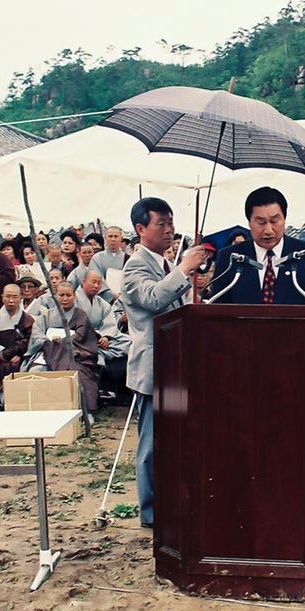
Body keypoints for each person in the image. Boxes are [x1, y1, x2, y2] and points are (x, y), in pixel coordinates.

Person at [122, 197, 207, 528]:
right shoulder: (135, 267)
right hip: (153, 367)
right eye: (162, 223)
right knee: (152, 445)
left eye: (171, 222)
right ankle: (151, 512)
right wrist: (185, 268)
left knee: (175, 440)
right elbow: (154, 299)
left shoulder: (163, 264)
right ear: (141, 229)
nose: (170, 230)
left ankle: (170, 503)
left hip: (175, 363)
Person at [211, 187, 305, 307]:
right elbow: (217, 308)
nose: (268, 230)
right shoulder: (229, 258)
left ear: (284, 219)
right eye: (261, 222)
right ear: (249, 223)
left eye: (274, 221)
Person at [41, 281, 101, 421]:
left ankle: (88, 412)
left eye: (68, 295)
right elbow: (38, 335)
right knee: (36, 370)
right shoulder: (48, 315)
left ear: (74, 296)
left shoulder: (81, 315)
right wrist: (48, 340)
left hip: (78, 353)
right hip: (50, 353)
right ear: (56, 296)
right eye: (61, 295)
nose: (65, 298)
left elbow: (81, 337)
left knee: (80, 371)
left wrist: (58, 341)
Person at [77, 269, 130, 397]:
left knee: (130, 342)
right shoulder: (74, 300)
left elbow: (109, 322)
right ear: (84, 282)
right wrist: (97, 337)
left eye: (99, 283)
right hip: (83, 339)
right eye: (93, 282)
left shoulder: (102, 303)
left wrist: (106, 336)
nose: (96, 286)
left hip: (102, 339)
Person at [0, 284, 35, 412]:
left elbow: (32, 340)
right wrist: (1, 354)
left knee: (23, 369)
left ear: (21, 298)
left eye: (15, 297)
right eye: (8, 297)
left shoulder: (28, 319)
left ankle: (16, 402)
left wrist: (21, 354)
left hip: (19, 358)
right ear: (2, 297)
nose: (11, 300)